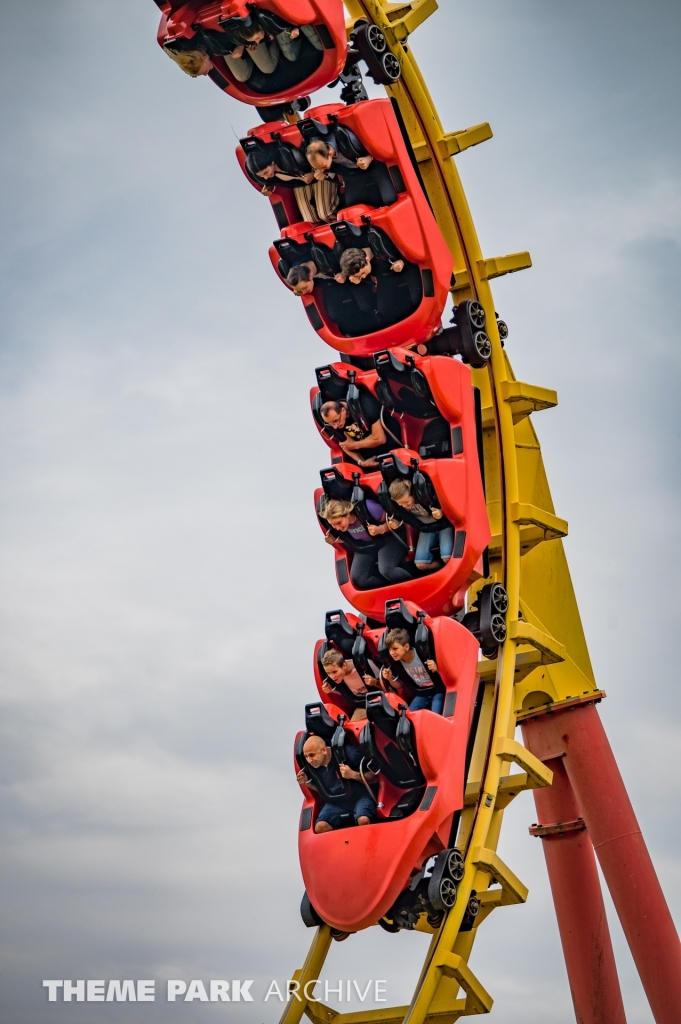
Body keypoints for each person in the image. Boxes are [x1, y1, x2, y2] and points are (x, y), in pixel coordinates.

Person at [163, 13, 322, 83]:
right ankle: (274, 35)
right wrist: (239, 47)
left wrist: (239, 46)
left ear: (203, 58)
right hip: (242, 37)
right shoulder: (214, 50)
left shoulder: (215, 46)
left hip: (246, 31)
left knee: (268, 67)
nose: (205, 74)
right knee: (242, 76)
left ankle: (277, 33)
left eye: (199, 73)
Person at [319, 497, 413, 590]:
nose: (338, 528)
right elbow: (352, 538)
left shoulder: (369, 509)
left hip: (388, 538)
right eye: (333, 525)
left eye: (339, 523)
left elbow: (397, 522)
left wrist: (380, 529)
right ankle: (389, 591)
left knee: (386, 569)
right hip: (367, 545)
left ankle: (411, 588)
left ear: (347, 514)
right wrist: (335, 540)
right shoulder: (339, 528)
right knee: (358, 578)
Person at [296, 735, 377, 833]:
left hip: (361, 796)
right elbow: (325, 789)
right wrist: (308, 784)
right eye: (306, 756)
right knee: (320, 827)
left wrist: (353, 775)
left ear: (324, 750)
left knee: (363, 820)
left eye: (312, 755)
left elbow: (376, 777)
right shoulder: (312, 767)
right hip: (337, 802)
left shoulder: (350, 754)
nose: (309, 760)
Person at [246, 145, 339, 224]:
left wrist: (312, 173)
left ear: (272, 161)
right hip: (300, 184)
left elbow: (317, 159)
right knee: (309, 220)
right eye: (262, 176)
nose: (265, 177)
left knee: (326, 214)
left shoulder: (292, 157)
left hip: (319, 173)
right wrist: (268, 187)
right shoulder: (267, 178)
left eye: (266, 172)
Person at [387, 478, 454, 571]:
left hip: (443, 525)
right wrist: (396, 523)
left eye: (406, 502)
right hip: (427, 529)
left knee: (448, 558)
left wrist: (441, 512)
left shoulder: (426, 495)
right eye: (401, 504)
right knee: (421, 565)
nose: (405, 506)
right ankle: (443, 570)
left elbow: (452, 504)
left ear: (412, 493)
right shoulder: (402, 508)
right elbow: (401, 519)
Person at [319, 397, 400, 468]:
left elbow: (380, 439)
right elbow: (345, 445)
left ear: (343, 410)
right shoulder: (333, 421)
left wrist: (354, 445)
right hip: (368, 458)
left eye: (336, 421)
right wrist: (361, 462)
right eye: (331, 423)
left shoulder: (365, 405)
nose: (335, 426)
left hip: (392, 447)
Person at [381, 627, 444, 715]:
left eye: (395, 649)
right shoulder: (398, 663)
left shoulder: (422, 654)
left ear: (406, 647)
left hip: (437, 691)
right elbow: (399, 686)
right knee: (408, 716)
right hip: (422, 693)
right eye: (389, 650)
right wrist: (390, 678)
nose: (391, 653)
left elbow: (447, 675)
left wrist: (437, 668)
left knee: (437, 714)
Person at [320, 649, 381, 720]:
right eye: (328, 673)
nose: (332, 676)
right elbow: (350, 693)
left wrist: (375, 682)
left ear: (344, 665)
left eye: (334, 672)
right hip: (363, 705)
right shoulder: (336, 678)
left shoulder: (365, 665)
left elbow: (387, 686)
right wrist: (332, 691)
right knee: (354, 725)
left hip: (381, 700)